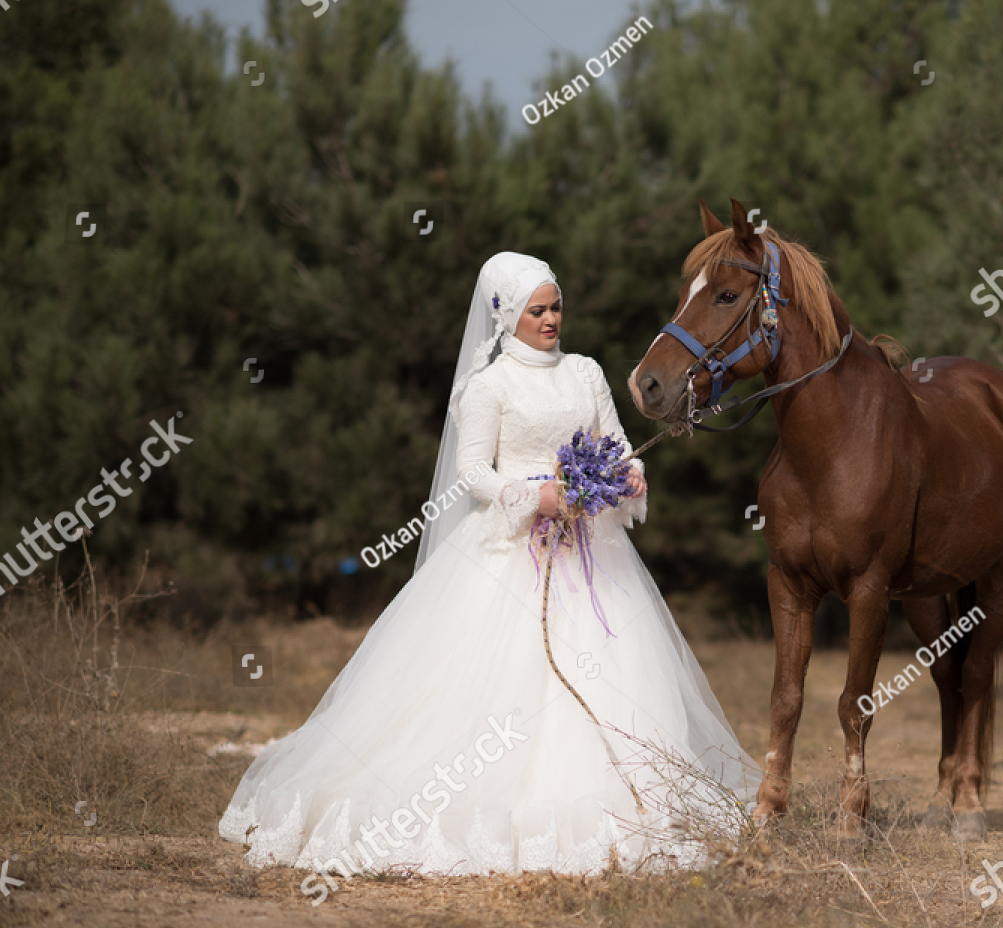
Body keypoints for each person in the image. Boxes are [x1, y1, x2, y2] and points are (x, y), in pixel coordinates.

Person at [219, 252, 758, 881]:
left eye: (556, 306)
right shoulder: (489, 386)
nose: (551, 319)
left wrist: (628, 474)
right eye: (537, 310)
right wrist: (537, 497)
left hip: (591, 557)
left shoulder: (585, 373)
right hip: (507, 553)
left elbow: (612, 443)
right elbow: (473, 472)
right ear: (507, 315)